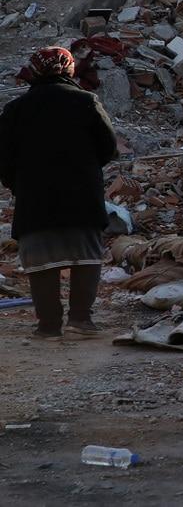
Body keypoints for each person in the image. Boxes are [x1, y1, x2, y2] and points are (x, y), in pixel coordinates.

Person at [0, 47, 117, 340]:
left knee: (40, 258)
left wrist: (17, 183)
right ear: (69, 69)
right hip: (82, 195)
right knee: (86, 255)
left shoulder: (15, 110)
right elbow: (109, 147)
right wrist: (86, 170)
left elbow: (3, 158)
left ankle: (48, 325)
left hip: (34, 198)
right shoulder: (86, 101)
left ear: (36, 71)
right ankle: (81, 319)